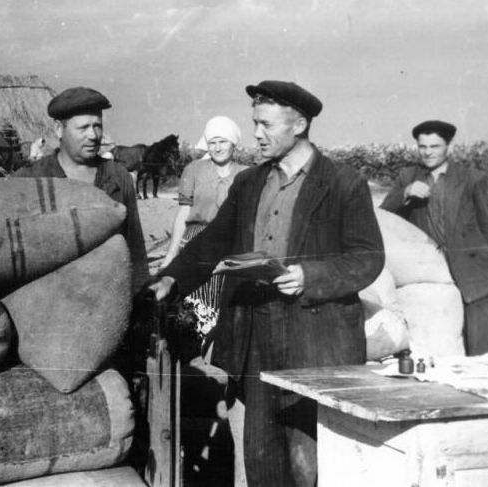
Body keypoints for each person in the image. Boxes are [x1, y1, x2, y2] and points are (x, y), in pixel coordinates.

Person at [150, 80, 384, 486]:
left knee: (308, 462)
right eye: (254, 123)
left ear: (300, 125)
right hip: (255, 336)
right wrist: (172, 278)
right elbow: (213, 240)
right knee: (263, 460)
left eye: (267, 125)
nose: (256, 134)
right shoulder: (249, 183)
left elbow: (368, 257)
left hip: (315, 341)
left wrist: (310, 276)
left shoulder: (343, 183)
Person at [380, 120, 488, 356]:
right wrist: (405, 193)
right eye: (423, 146)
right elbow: (385, 216)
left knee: (484, 348)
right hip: (433, 274)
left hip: (474, 272)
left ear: (448, 146)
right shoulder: (408, 176)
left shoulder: (472, 178)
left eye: (434, 146)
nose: (428, 152)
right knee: (438, 346)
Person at [14, 86, 149, 293]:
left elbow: (135, 245)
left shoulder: (118, 176)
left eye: (97, 126)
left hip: (109, 293)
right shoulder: (31, 179)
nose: (93, 135)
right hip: (50, 296)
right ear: (59, 129)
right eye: (83, 127)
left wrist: (142, 291)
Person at [159, 116, 248, 345]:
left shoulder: (247, 174)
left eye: (223, 141)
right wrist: (171, 255)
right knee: (193, 306)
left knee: (225, 302)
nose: (217, 148)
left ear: (234, 143)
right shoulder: (194, 170)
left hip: (230, 244)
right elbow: (183, 213)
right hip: (196, 242)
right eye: (212, 142)